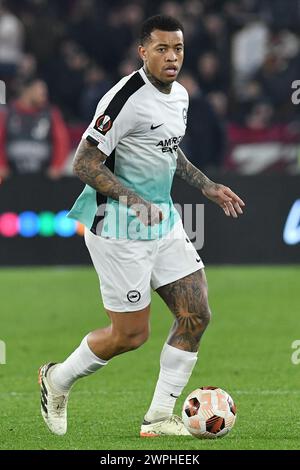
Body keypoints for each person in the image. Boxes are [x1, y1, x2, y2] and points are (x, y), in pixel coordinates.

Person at [39, 15, 245, 437]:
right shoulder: (124, 99)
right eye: (162, 49)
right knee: (130, 336)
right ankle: (56, 379)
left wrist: (206, 185)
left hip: (163, 222)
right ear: (143, 52)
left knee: (196, 314)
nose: (172, 57)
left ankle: (157, 419)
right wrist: (133, 200)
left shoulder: (182, 96)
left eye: (178, 49)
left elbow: (169, 151)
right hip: (117, 228)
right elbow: (83, 163)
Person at [0, 77, 70, 180]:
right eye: (40, 91)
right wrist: (1, 165)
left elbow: (62, 141)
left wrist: (57, 166)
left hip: (44, 177)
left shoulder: (51, 113)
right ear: (27, 90)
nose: (44, 95)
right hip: (11, 176)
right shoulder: (7, 112)